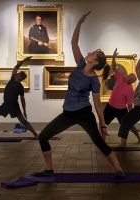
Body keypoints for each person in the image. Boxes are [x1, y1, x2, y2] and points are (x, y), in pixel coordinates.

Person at [36, 11, 124, 179]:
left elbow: (98, 105)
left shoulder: (94, 80)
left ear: (95, 61)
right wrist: (79, 23)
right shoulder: (79, 64)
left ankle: (118, 170)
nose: (89, 52)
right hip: (67, 113)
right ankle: (49, 170)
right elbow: (74, 42)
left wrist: (103, 124)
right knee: (43, 137)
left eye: (93, 53)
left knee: (98, 142)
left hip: (84, 113)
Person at [0, 56, 38, 140]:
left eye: (19, 74)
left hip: (13, 105)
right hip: (6, 105)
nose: (17, 74)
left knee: (22, 120)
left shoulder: (20, 87)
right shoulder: (13, 78)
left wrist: (24, 110)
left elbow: (22, 100)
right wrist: (24, 60)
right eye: (18, 74)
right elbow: (16, 67)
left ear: (21, 78)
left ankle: (35, 134)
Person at [102, 48, 140, 143]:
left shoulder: (130, 90)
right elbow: (114, 67)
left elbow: (129, 105)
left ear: (132, 81)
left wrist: (130, 114)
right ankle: (102, 140)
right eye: (129, 76)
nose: (127, 77)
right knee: (103, 123)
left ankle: (137, 138)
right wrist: (113, 57)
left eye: (130, 78)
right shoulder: (121, 77)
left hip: (121, 110)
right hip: (110, 106)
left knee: (128, 124)